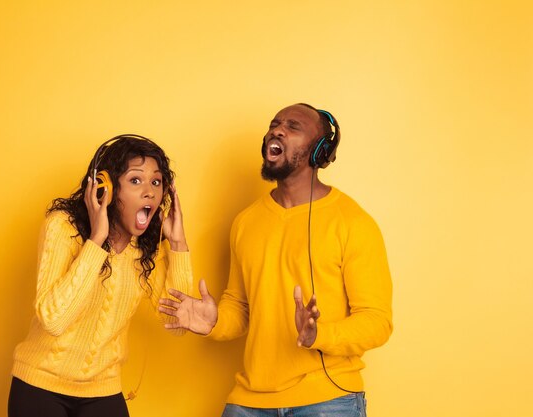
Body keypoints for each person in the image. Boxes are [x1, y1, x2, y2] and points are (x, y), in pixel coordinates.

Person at [159, 104, 393, 417]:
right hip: (249, 402)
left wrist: (318, 335)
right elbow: (240, 307)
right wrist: (214, 322)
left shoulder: (353, 222)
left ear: (319, 151)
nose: (277, 130)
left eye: (293, 126)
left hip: (328, 400)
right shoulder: (246, 221)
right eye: (274, 124)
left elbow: (377, 321)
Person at [8, 134, 193, 417]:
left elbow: (177, 323)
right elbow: (55, 320)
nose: (149, 192)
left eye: (156, 182)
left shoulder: (145, 250)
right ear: (105, 187)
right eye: (135, 180)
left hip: (102, 390)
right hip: (39, 386)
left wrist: (178, 244)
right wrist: (96, 240)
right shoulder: (63, 227)